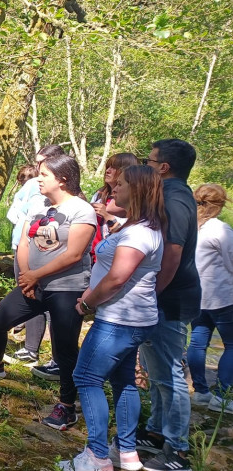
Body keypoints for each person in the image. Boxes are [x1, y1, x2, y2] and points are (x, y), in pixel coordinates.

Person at [0, 153, 96, 433]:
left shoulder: (81, 210)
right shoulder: (40, 206)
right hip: (33, 284)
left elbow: (74, 254)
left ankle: (67, 406)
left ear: (62, 179)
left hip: (66, 288)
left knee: (64, 347)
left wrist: (35, 275)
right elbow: (24, 242)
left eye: (44, 174)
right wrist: (27, 277)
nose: (38, 179)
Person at [62, 165, 167, 471]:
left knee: (85, 377)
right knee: (124, 381)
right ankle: (127, 452)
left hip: (120, 318)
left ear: (137, 190)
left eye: (121, 185)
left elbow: (117, 278)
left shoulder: (139, 233)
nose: (114, 189)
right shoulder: (137, 225)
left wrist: (88, 302)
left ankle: (96, 457)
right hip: (130, 317)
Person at [137, 139, 199, 471]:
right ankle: (157, 433)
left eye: (149, 161)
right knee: (158, 372)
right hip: (164, 298)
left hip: (169, 300)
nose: (145, 165)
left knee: (170, 375)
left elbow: (172, 255)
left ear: (163, 167)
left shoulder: (175, 200)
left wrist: (151, 294)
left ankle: (177, 451)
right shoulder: (171, 196)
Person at [3, 144, 66, 368]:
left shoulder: (72, 194)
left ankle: (59, 359)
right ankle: (31, 350)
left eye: (43, 162)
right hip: (25, 248)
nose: (38, 166)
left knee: (54, 305)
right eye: (37, 161)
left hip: (52, 254)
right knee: (29, 297)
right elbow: (15, 211)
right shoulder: (32, 184)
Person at [187, 184, 233, 413]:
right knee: (231, 344)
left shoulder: (189, 226)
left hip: (197, 295)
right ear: (219, 205)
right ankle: (222, 396)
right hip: (222, 296)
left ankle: (201, 392)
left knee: (197, 342)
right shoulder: (220, 229)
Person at [89, 153, 138, 257]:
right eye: (108, 167)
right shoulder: (100, 194)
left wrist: (107, 216)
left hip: (112, 255)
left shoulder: (131, 203)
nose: (107, 171)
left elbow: (128, 236)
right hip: (92, 255)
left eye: (114, 168)